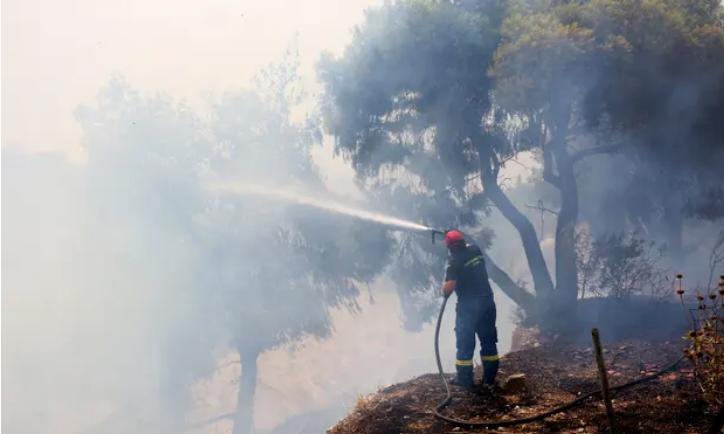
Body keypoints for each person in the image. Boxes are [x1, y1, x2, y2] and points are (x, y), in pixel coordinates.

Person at [441, 230, 500, 393]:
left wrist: (443, 291)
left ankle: (464, 379)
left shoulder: (453, 261)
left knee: (465, 343)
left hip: (469, 307)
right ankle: (489, 379)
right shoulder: (475, 250)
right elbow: (466, 247)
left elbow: (450, 287)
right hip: (488, 302)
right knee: (488, 342)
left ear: (450, 247)